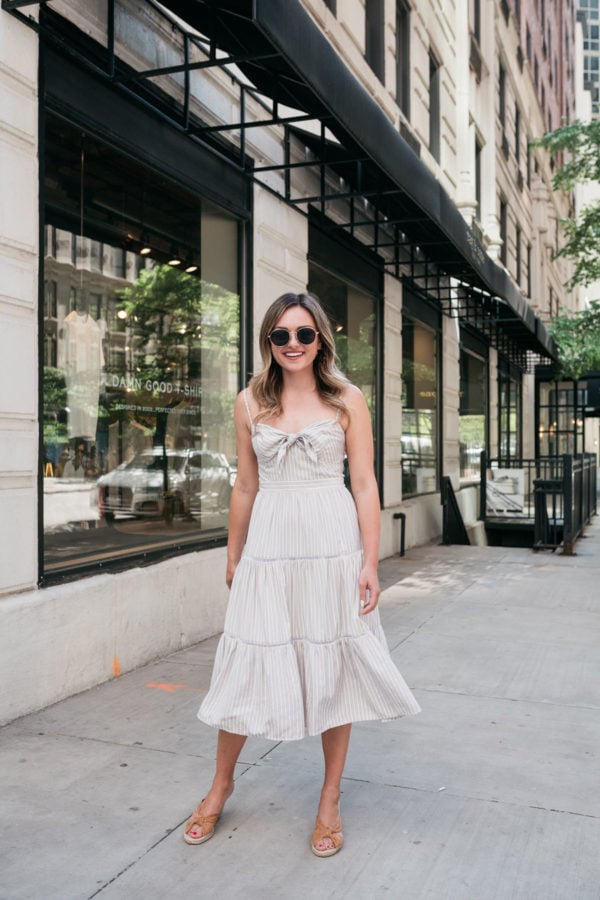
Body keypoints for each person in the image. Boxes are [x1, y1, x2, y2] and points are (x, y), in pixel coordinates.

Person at [184, 292, 420, 856]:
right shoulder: (248, 403)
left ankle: (330, 798)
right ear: (268, 342)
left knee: (335, 663)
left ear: (321, 340)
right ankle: (220, 785)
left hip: (331, 545)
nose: (293, 344)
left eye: (304, 334)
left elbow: (364, 485)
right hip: (269, 545)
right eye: (281, 335)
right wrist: (232, 554)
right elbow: (245, 485)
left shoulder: (347, 401)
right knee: (248, 661)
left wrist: (370, 561)